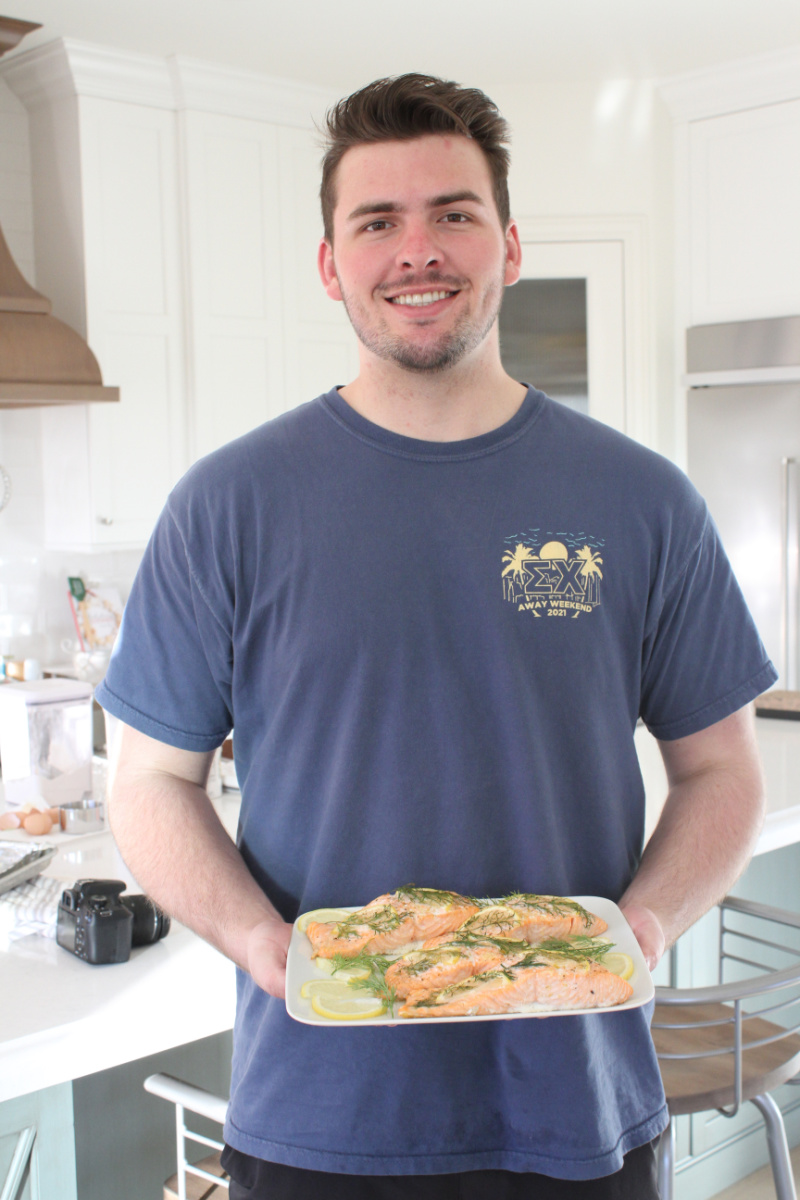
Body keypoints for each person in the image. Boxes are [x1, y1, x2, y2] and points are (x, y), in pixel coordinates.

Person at [98, 74, 775, 1200]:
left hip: (578, 1107)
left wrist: (643, 923)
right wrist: (259, 940)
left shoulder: (642, 501)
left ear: (507, 246)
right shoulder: (228, 506)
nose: (417, 250)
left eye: (452, 213)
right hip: (320, 1110)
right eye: (376, 222)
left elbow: (721, 768)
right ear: (330, 264)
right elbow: (150, 786)